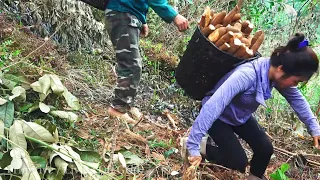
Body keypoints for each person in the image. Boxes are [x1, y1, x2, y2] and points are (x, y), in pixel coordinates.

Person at [185, 33, 320, 180]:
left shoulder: (274, 74)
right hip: (218, 116)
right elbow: (213, 106)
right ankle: (199, 146)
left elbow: (297, 99)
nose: (294, 86)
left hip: (238, 116)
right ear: (281, 69)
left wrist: (314, 127)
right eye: (296, 81)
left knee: (265, 149)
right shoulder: (247, 75)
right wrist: (193, 144)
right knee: (237, 161)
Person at [105, 0, 189, 118]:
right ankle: (118, 109)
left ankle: (125, 105)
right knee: (131, 65)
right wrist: (174, 15)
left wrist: (141, 20)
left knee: (131, 63)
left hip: (126, 13)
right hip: (122, 13)